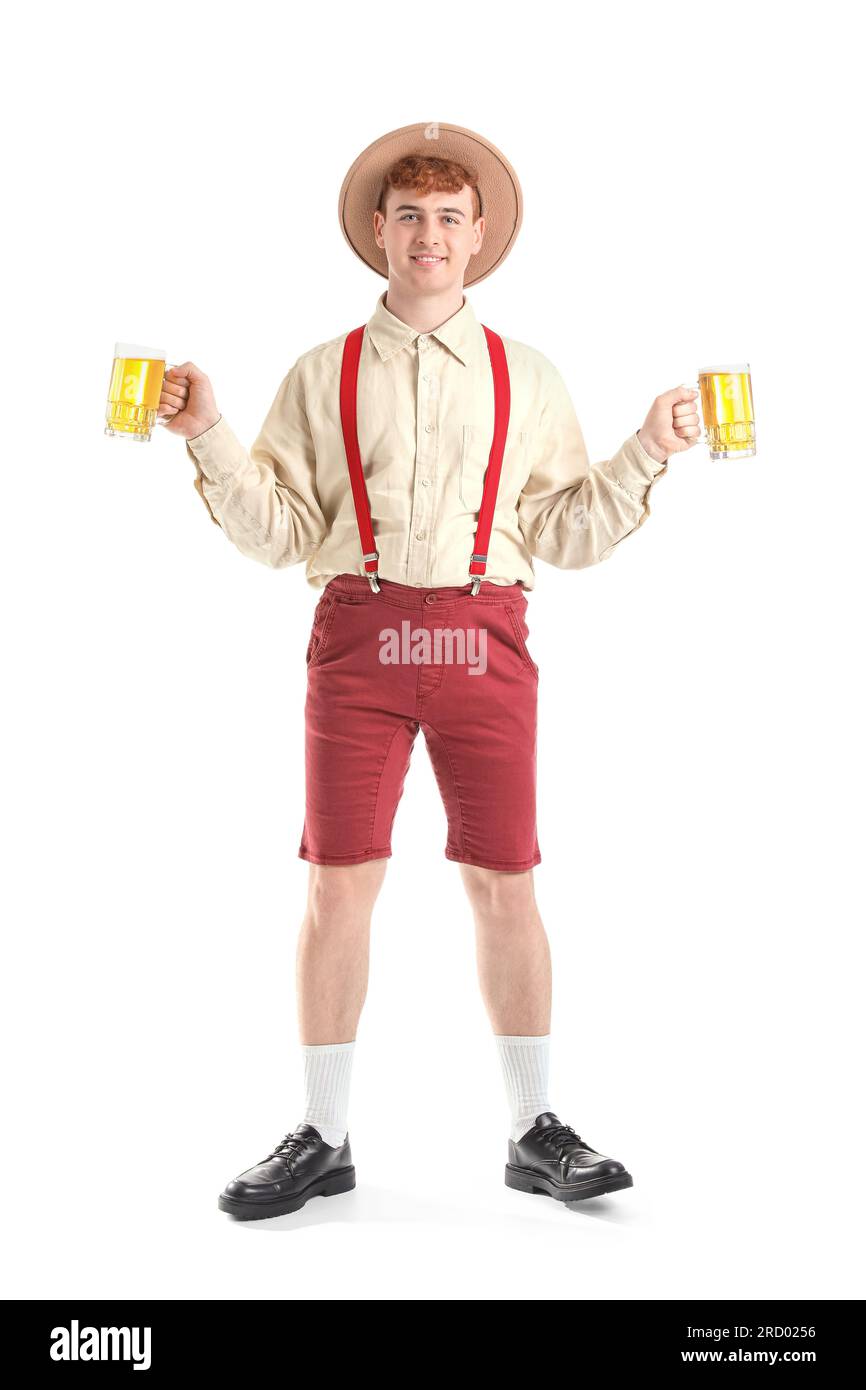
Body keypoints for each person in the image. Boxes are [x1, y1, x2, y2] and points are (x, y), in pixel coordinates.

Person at [159, 122, 701, 1221]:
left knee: (505, 877)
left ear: (479, 234)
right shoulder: (324, 372)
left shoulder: (527, 375)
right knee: (337, 879)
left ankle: (533, 1129)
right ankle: (321, 1133)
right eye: (408, 215)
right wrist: (209, 432)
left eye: (448, 217)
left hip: (482, 637)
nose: (428, 236)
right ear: (376, 230)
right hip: (358, 637)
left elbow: (562, 527)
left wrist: (646, 448)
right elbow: (277, 530)